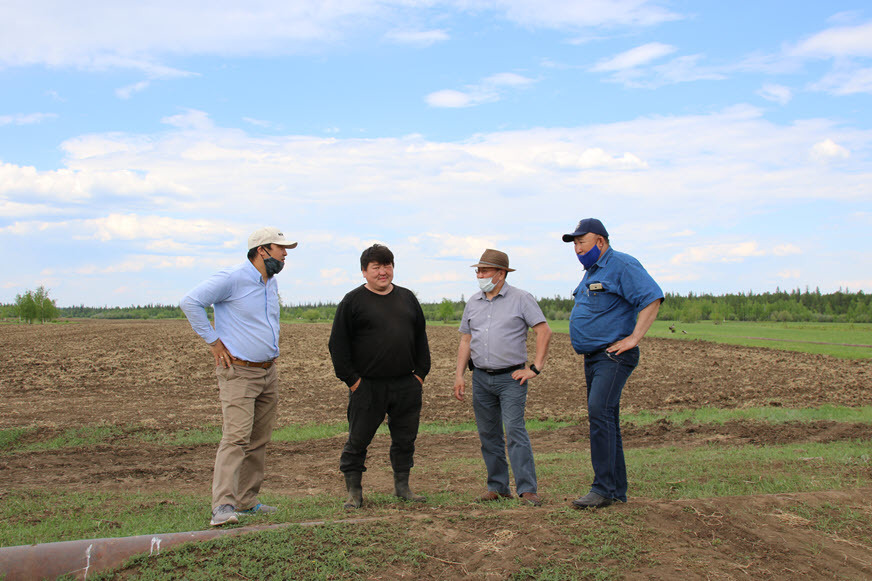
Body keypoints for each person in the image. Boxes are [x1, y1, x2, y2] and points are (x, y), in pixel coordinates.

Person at [180, 227, 297, 526]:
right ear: (262, 251)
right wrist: (214, 342)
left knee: (258, 439)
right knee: (235, 439)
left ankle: (246, 501)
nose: (285, 254)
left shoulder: (269, 283)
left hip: (267, 371)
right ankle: (222, 506)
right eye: (280, 248)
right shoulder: (232, 278)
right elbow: (190, 302)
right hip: (239, 373)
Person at [562, 218, 663, 509]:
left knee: (599, 412)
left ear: (601, 242)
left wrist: (633, 338)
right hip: (594, 358)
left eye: (582, 241)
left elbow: (651, 298)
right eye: (575, 244)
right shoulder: (591, 272)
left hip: (613, 356)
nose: (578, 248)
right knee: (608, 419)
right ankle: (616, 490)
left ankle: (603, 488)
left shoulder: (621, 264)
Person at [328, 244, 431, 509]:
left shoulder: (407, 298)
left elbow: (421, 338)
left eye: (387, 266)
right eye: (376, 267)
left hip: (406, 384)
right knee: (358, 440)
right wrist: (354, 382)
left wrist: (419, 375)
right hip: (367, 387)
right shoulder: (352, 302)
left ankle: (402, 487)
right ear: (364, 271)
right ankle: (354, 492)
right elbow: (337, 346)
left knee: (405, 439)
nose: (383, 272)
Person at [454, 249, 552, 506]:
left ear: (501, 273)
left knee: (515, 431)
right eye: (478, 271)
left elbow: (544, 331)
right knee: (489, 434)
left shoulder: (521, 299)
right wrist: (459, 375)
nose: (480, 275)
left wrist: (535, 368)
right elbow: (466, 339)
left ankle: (527, 489)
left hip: (512, 378)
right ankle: (498, 487)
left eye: (484, 270)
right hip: (481, 378)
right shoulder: (473, 302)